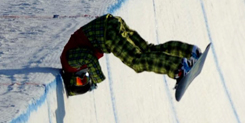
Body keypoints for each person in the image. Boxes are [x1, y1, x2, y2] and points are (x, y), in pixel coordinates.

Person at [60, 14, 202, 96]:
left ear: (72, 79)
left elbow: (88, 57)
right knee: (148, 50)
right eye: (84, 80)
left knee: (137, 62)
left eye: (81, 80)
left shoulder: (69, 63)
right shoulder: (73, 65)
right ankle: (191, 52)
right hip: (110, 24)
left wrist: (96, 79)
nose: (85, 77)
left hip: (107, 34)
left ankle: (178, 68)